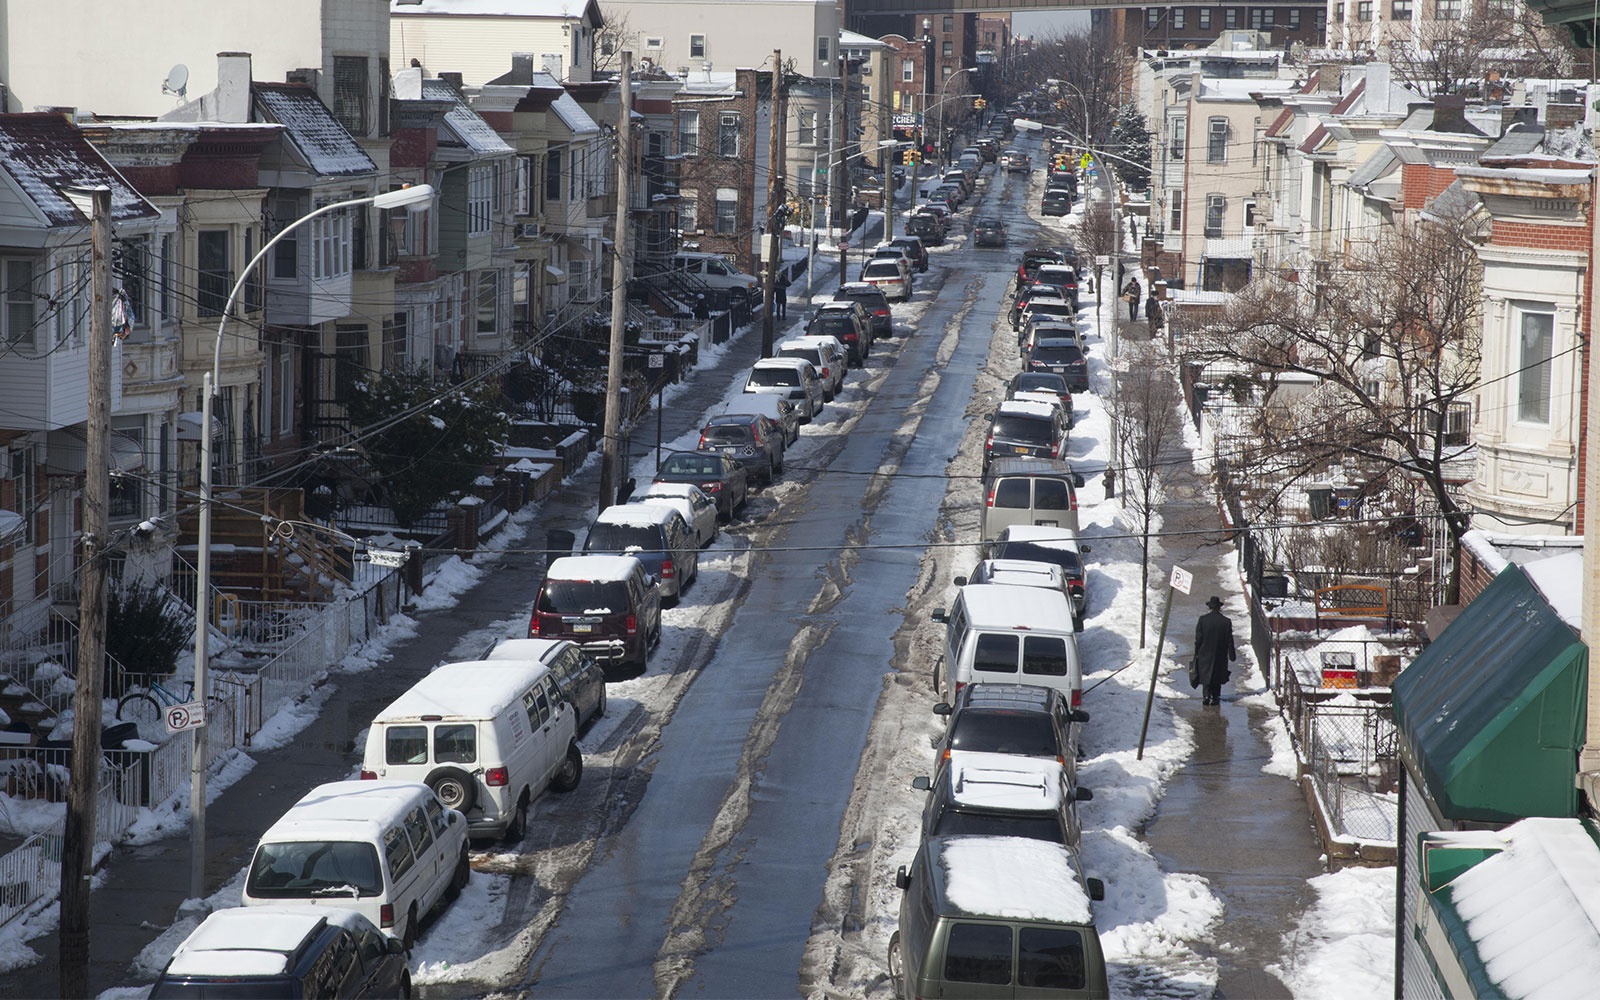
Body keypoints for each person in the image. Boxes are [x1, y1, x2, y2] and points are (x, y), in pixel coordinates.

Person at [1193, 595, 1237, 705]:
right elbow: (1229, 640)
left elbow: (1199, 638)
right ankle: (1216, 697)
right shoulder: (1226, 621)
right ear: (1219, 608)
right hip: (1220, 653)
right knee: (1216, 676)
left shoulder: (1203, 620)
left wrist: (1197, 651)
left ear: (1210, 607)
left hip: (1205, 653)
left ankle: (1206, 696)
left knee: (1206, 675)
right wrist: (1232, 654)